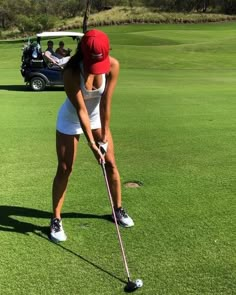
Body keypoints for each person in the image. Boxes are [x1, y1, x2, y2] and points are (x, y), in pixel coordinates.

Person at [50, 29, 134, 243]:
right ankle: (56, 219)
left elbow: (106, 103)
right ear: (83, 54)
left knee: (111, 163)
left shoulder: (113, 66)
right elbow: (80, 111)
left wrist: (104, 134)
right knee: (65, 168)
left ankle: (117, 210)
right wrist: (92, 144)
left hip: (97, 118)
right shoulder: (69, 72)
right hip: (70, 118)